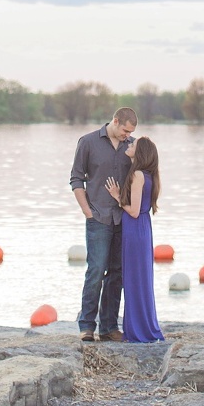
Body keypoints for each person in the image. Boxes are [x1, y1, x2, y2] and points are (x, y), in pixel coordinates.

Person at [69, 107, 137, 342]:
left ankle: (108, 326)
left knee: (117, 273)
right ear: (115, 121)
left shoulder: (132, 146)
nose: (128, 135)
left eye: (131, 132)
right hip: (98, 217)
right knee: (96, 270)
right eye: (125, 130)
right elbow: (76, 178)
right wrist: (87, 211)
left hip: (124, 218)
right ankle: (86, 325)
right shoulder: (88, 142)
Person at [105, 136, 164, 343]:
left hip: (135, 227)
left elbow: (134, 211)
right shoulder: (148, 175)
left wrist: (117, 197)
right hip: (143, 229)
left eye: (133, 145)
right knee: (140, 278)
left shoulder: (138, 175)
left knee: (134, 279)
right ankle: (142, 327)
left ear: (140, 153)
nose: (128, 145)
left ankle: (138, 331)